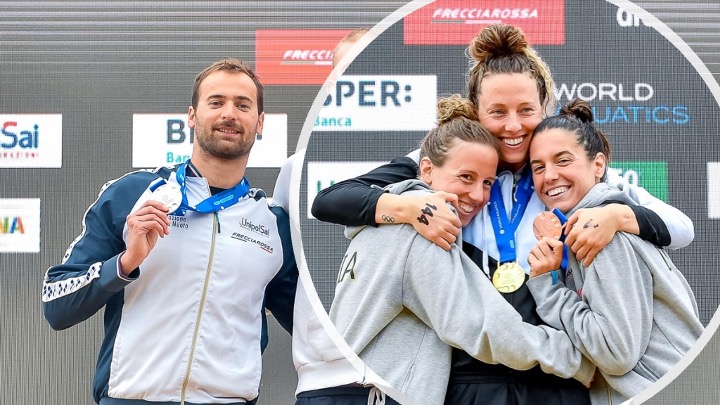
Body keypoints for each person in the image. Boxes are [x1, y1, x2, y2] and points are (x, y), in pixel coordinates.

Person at [311, 24, 694, 405]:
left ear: (545, 107)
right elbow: (331, 200)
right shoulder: (441, 161)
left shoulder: (566, 174)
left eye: (526, 110)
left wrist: (620, 218)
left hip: (559, 371)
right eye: (497, 112)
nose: (513, 126)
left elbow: (682, 228)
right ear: (476, 111)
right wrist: (405, 206)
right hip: (469, 373)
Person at [42, 58, 298, 405]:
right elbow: (56, 304)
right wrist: (124, 263)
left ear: (260, 122)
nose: (229, 114)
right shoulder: (134, 194)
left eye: (243, 105)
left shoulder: (273, 222)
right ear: (192, 116)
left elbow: (309, 328)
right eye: (216, 102)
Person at [328, 95, 596, 405]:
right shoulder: (420, 231)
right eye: (465, 177)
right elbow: (484, 327)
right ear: (426, 169)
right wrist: (579, 362)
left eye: (487, 183)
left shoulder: (382, 222)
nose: (477, 195)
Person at [526, 98, 704, 404]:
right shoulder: (593, 223)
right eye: (538, 167)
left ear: (598, 165)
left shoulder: (602, 236)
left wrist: (549, 289)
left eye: (563, 160)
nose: (549, 176)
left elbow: (615, 352)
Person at [273, 28, 398, 405]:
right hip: (323, 381)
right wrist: (318, 328)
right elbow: (281, 273)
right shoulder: (296, 170)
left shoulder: (422, 165)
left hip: (405, 377)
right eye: (340, 72)